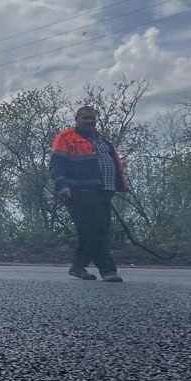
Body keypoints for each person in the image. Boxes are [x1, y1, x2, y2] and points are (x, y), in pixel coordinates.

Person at [50, 105, 130, 283]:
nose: (89, 121)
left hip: (104, 191)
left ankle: (78, 266)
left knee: (98, 230)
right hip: (79, 191)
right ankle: (108, 270)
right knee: (94, 231)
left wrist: (122, 184)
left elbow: (113, 163)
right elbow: (56, 165)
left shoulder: (102, 140)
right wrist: (61, 185)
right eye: (85, 118)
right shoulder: (66, 138)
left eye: (92, 118)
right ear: (77, 119)